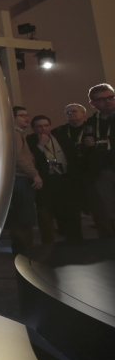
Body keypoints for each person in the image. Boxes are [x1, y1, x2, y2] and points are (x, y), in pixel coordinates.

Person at [27, 115, 82, 242]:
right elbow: (31, 161)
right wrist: (40, 145)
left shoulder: (61, 138)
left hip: (64, 179)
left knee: (70, 211)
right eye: (39, 126)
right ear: (33, 128)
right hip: (45, 181)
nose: (43, 128)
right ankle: (48, 243)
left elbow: (72, 157)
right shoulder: (30, 141)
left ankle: (74, 239)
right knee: (45, 214)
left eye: (46, 125)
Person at [9, 107, 43, 254]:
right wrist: (34, 174)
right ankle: (24, 252)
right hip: (21, 178)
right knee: (24, 217)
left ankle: (22, 250)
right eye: (22, 115)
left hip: (20, 178)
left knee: (21, 217)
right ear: (12, 117)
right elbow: (17, 156)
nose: (26, 118)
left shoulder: (18, 133)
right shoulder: (15, 133)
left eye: (27, 115)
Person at [84, 83, 115, 238]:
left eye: (111, 97)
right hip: (103, 169)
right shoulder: (91, 122)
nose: (108, 101)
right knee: (108, 206)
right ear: (92, 103)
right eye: (102, 99)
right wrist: (87, 142)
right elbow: (86, 140)